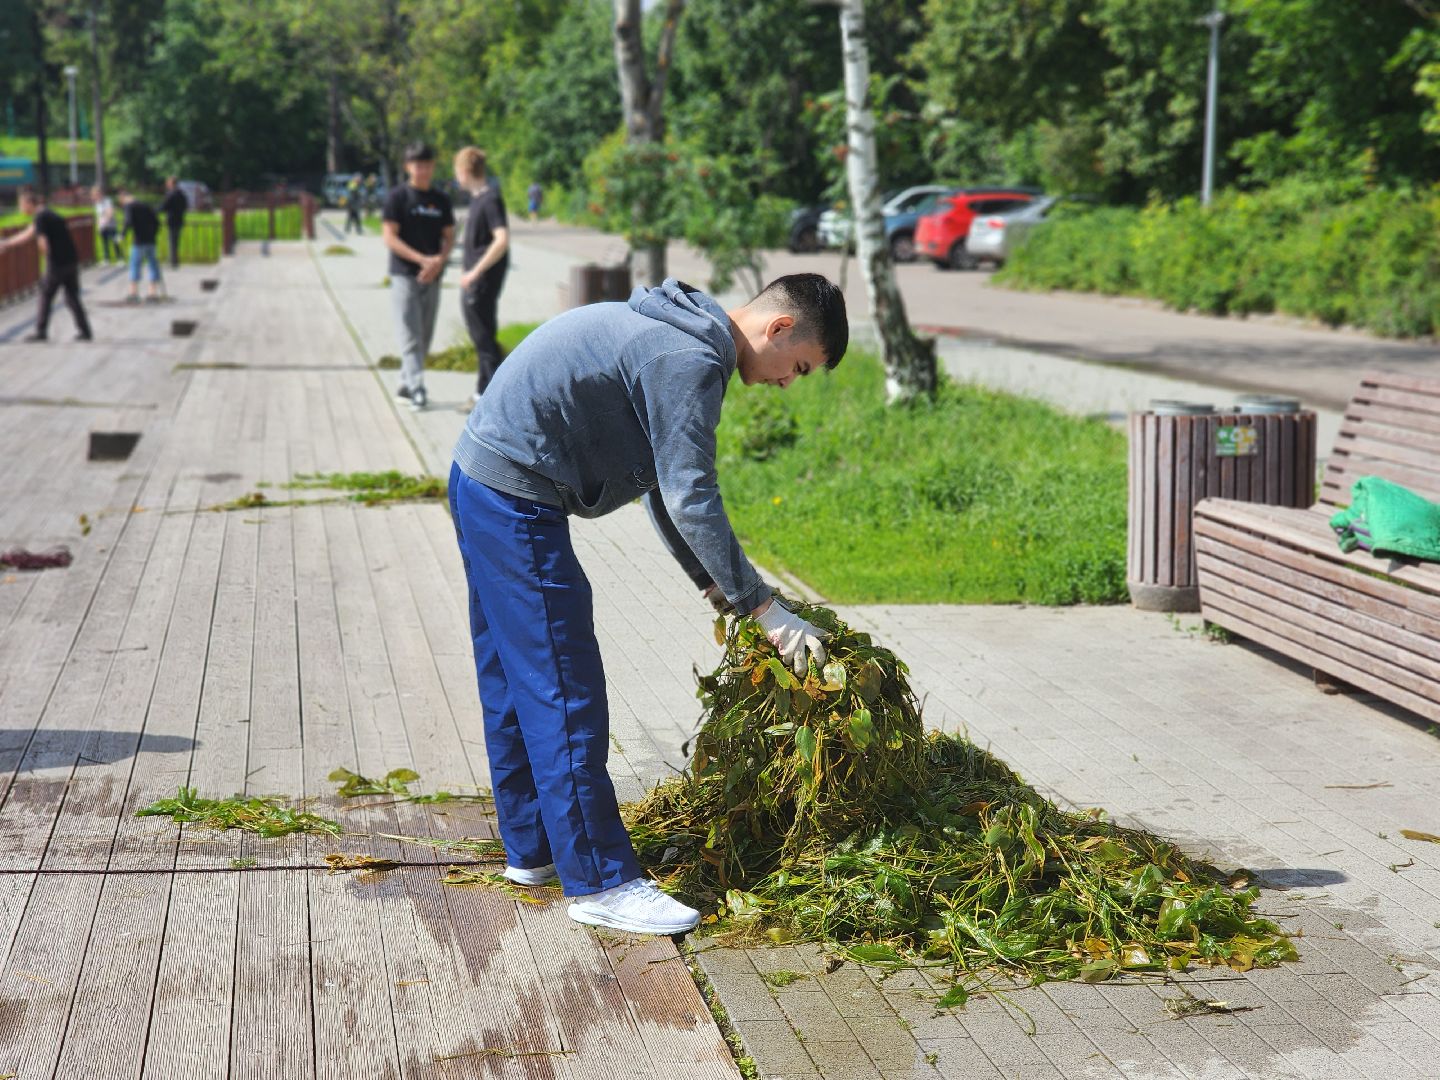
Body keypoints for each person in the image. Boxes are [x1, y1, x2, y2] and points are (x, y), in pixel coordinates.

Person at [448, 273, 847, 936]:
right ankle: (602, 882)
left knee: (516, 680)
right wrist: (763, 608)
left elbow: (662, 487)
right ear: (778, 329)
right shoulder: (692, 358)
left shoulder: (683, 331)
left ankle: (535, 849)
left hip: (483, 479)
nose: (786, 383)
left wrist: (716, 586)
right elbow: (692, 495)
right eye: (798, 367)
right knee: (562, 683)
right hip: (515, 498)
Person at [382, 142, 455, 411]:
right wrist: (421, 259)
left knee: (425, 335)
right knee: (410, 333)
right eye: (417, 164)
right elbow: (389, 236)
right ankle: (417, 388)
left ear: (433, 166)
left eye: (426, 164)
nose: (422, 170)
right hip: (405, 275)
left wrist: (438, 260)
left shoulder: (441, 200)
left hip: (433, 275)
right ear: (407, 167)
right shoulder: (397, 198)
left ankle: (404, 383)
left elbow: (449, 236)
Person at [0, 186, 93, 342]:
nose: (20, 208)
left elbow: (43, 242)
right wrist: (7, 243)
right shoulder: (48, 213)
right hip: (70, 260)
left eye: (21, 204)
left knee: (45, 294)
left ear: (29, 203)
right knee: (72, 297)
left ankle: (41, 331)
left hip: (57, 263)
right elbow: (28, 233)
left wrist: (47, 262)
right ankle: (85, 331)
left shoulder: (41, 217)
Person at [453, 147, 509, 403]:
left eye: (457, 172)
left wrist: (475, 272)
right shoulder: (478, 200)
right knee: (483, 339)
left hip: (481, 283)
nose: (457, 178)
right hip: (475, 282)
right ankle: (483, 391)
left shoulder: (490, 200)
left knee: (484, 339)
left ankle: (490, 397)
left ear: (464, 172)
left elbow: (502, 240)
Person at [120, 189, 163, 302]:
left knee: (135, 264)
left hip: (138, 241)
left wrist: (122, 235)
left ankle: (134, 293)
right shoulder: (146, 206)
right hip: (151, 240)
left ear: (123, 198)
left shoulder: (129, 206)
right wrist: (153, 234)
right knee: (152, 264)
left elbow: (128, 221)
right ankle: (152, 293)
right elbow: (157, 222)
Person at [158, 176, 188, 269]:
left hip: (172, 220)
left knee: (172, 241)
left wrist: (154, 211)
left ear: (171, 183)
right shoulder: (182, 194)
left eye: (168, 183)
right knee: (175, 241)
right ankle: (174, 260)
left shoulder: (171, 194)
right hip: (179, 219)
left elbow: (164, 206)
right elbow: (185, 206)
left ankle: (173, 262)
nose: (167, 184)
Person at [92, 185, 120, 265]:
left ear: (101, 193)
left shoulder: (107, 201)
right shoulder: (97, 203)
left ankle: (119, 258)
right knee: (105, 243)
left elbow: (110, 212)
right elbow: (98, 215)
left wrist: (105, 222)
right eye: (94, 194)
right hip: (102, 226)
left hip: (110, 225)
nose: (95, 196)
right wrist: (98, 225)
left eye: (97, 194)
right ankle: (106, 259)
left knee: (115, 242)